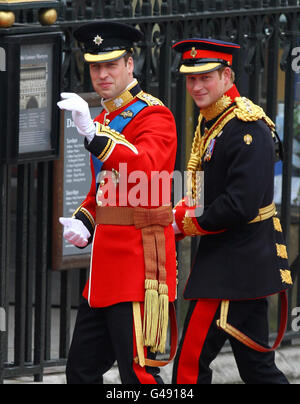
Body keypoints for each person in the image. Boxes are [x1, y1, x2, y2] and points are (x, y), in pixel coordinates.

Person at [57, 22, 178, 384]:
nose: (102, 74)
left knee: (138, 374)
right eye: (95, 66)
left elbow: (144, 166)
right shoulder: (106, 118)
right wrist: (85, 220)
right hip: (104, 269)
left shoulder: (154, 115)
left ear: (130, 64)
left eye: (111, 65)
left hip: (139, 265)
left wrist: (95, 136)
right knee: (80, 371)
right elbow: (106, 187)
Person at [171, 38, 292, 384]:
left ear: (227, 76)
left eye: (205, 77)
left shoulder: (246, 127)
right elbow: (209, 189)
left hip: (233, 266)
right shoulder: (215, 118)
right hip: (237, 265)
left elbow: (238, 205)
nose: (196, 86)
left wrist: (183, 221)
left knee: (189, 366)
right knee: (258, 370)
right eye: (191, 79)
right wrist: (180, 209)